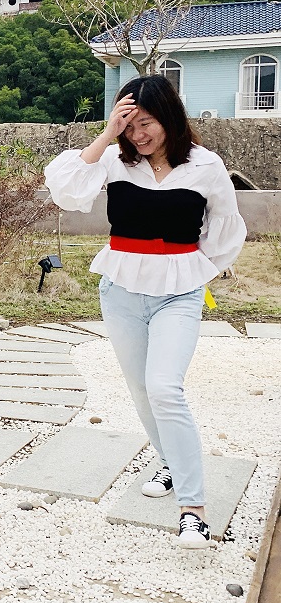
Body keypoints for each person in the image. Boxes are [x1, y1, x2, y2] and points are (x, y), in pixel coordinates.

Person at [44, 74, 246, 549]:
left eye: (146, 123)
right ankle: (169, 461)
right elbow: (66, 192)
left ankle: (193, 511)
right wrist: (106, 134)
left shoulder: (205, 165)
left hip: (178, 292)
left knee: (164, 388)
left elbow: (225, 228)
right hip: (121, 291)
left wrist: (190, 269)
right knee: (141, 391)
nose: (137, 134)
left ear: (169, 118)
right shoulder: (115, 159)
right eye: (128, 124)